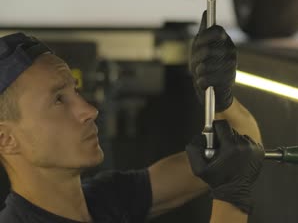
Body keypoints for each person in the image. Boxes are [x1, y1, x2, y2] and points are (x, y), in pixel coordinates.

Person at [0, 13, 265, 223]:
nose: (90, 110)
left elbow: (242, 150)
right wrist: (231, 202)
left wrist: (220, 99)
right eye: (58, 99)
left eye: (76, 90)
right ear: (5, 139)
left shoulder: (105, 200)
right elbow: (234, 172)